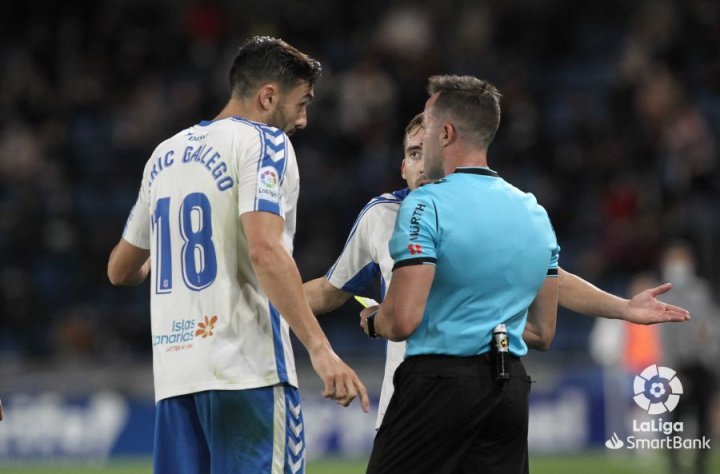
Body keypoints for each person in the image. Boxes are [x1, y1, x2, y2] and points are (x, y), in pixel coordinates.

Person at [304, 113, 690, 430]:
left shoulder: (490, 211)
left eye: (431, 151)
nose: (422, 164)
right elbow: (329, 290)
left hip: (482, 397)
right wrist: (263, 294)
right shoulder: (381, 216)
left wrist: (623, 307)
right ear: (403, 167)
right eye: (413, 153)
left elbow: (548, 276)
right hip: (408, 402)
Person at [107, 36, 369, 474]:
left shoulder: (163, 155)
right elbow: (265, 249)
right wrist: (321, 352)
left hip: (177, 380)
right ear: (268, 96)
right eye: (301, 103)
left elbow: (119, 269)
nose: (303, 120)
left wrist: (163, 257)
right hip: (248, 373)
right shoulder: (265, 143)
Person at [356, 74, 558, 473]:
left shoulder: (424, 205)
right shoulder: (534, 211)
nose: (424, 138)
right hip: (510, 390)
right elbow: (544, 331)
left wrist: (374, 322)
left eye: (427, 129)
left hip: (437, 387)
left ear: (445, 134)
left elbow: (402, 319)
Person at [659, 241, 719, 474]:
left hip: (703, 364)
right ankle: (674, 463)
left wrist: (710, 342)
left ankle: (700, 465)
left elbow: (712, 323)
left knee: (704, 418)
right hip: (680, 366)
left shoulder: (701, 290)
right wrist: (671, 369)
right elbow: (666, 334)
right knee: (677, 418)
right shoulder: (666, 295)